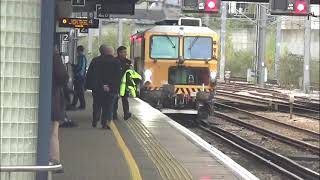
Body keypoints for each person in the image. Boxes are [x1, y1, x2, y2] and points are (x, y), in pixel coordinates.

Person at [50, 45, 68, 171]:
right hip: (52, 99)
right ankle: (55, 161)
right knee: (53, 131)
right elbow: (63, 77)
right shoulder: (54, 57)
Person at [96, 47, 121, 129]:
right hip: (113, 88)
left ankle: (103, 122)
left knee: (103, 105)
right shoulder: (116, 62)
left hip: (102, 87)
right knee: (110, 106)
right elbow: (118, 76)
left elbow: (98, 75)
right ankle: (108, 122)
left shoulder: (100, 61)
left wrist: (103, 85)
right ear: (112, 53)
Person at [86, 45, 107, 128]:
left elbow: (89, 73)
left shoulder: (95, 60)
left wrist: (88, 85)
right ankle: (103, 122)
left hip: (96, 86)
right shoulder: (109, 60)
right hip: (106, 86)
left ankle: (95, 119)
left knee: (96, 103)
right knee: (105, 104)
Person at [113, 46, 132, 120]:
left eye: (125, 52)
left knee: (125, 99)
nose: (125, 53)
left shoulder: (128, 62)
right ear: (119, 53)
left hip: (125, 83)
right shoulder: (114, 61)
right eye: (124, 52)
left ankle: (126, 113)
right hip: (116, 83)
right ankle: (114, 114)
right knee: (115, 100)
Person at [71, 45, 87, 110]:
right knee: (77, 91)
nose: (77, 52)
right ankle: (74, 104)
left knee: (79, 91)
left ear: (79, 50)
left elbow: (79, 67)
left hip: (79, 77)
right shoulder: (82, 57)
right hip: (80, 77)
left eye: (77, 50)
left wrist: (74, 68)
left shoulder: (81, 57)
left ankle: (82, 105)